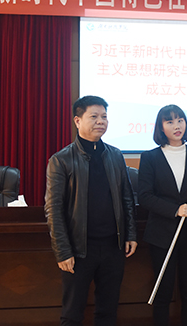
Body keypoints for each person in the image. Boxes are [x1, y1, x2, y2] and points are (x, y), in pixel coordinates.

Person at [45, 95, 138, 326]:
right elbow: (53, 209)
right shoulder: (61, 160)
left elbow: (127, 198)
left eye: (104, 117)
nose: (101, 121)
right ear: (77, 121)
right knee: (72, 313)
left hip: (113, 247)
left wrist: (130, 234)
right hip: (79, 250)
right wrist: (62, 251)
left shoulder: (115, 155)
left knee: (108, 312)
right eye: (94, 116)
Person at [138, 104, 187, 326]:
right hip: (162, 234)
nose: (176, 125)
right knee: (163, 291)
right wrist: (175, 210)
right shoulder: (150, 157)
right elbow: (145, 197)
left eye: (180, 120)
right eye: (169, 121)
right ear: (161, 127)